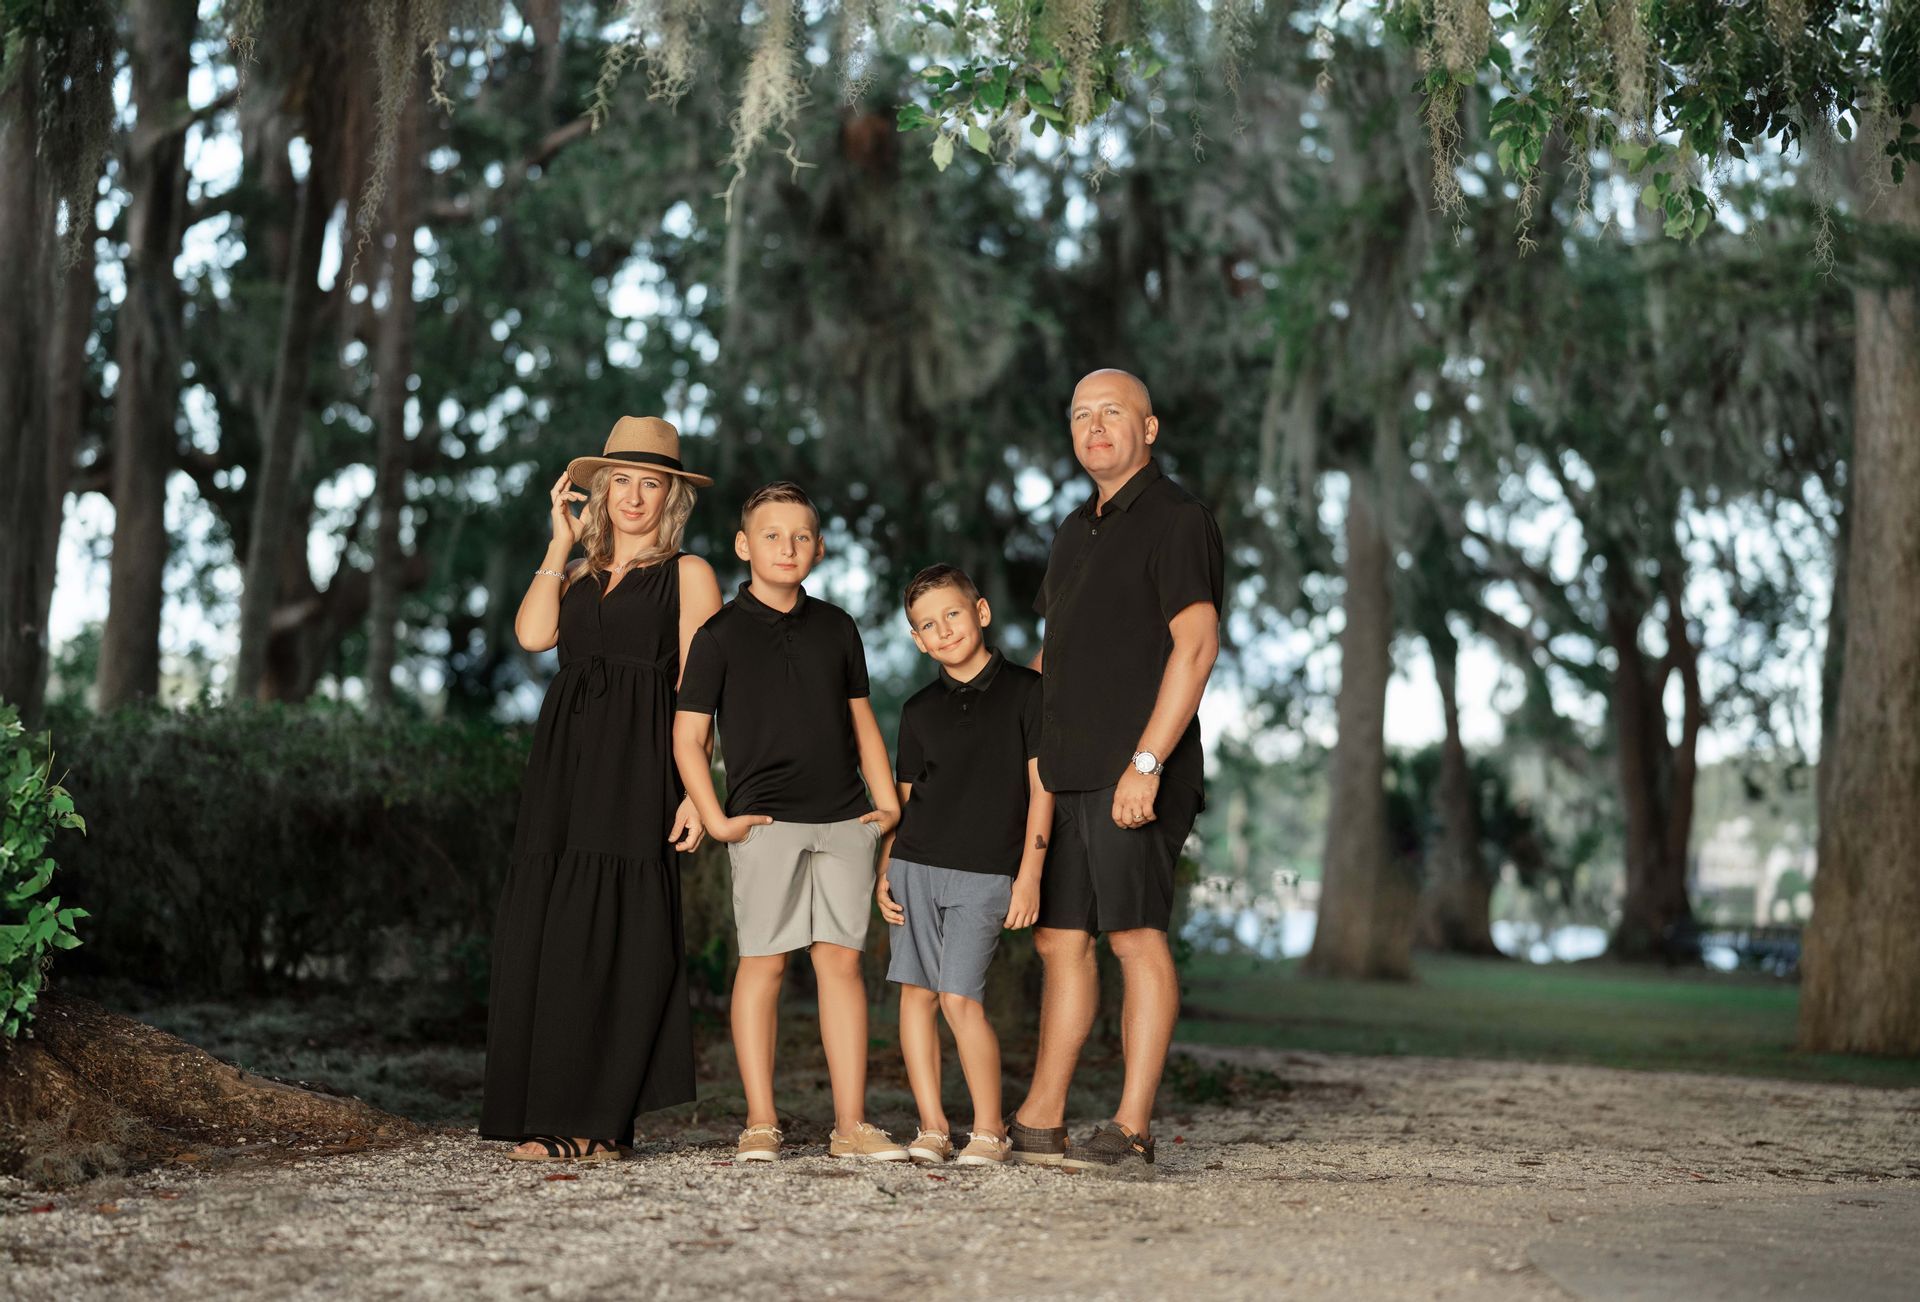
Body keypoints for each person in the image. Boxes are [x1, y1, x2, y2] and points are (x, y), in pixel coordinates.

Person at [481, 416, 724, 1163]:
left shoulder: (689, 574)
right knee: (556, 928)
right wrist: (559, 542)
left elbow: (704, 689)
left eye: (652, 484)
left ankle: (602, 1123)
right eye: (621, 481)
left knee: (621, 936)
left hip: (640, 763)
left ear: (671, 497)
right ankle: (553, 1114)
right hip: (564, 766)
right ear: (598, 489)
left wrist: (696, 787)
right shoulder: (579, 574)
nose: (634, 496)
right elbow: (531, 636)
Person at [1008, 369, 1224, 1175]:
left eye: (1113, 414)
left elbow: (1196, 646)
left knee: (1133, 937)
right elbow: (1053, 655)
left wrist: (1147, 762)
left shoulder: (1177, 521)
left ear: (1150, 427)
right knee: (1061, 941)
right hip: (1063, 771)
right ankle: (1041, 1115)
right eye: (1081, 416)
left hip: (1136, 772)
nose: (1095, 427)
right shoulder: (1072, 531)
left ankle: (1132, 1126)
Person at [671, 481, 907, 1163]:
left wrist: (885, 805)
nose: (788, 547)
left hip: (843, 818)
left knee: (840, 965)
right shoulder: (717, 636)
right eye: (772, 535)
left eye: (801, 535)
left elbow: (862, 719)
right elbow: (688, 737)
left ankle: (851, 1125)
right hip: (763, 823)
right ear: (745, 546)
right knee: (765, 965)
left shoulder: (837, 626)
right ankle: (761, 1121)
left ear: (820, 548)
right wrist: (716, 819)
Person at [877, 564, 1050, 1167]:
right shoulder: (918, 710)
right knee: (916, 996)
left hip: (987, 870)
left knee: (959, 998)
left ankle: (988, 1131)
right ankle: (931, 1127)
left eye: (952, 613)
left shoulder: (1028, 692)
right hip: (915, 864)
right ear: (919, 641)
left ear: (980, 611)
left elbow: (1041, 790)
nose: (944, 629)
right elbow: (904, 802)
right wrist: (885, 869)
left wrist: (1030, 874)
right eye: (928, 624)